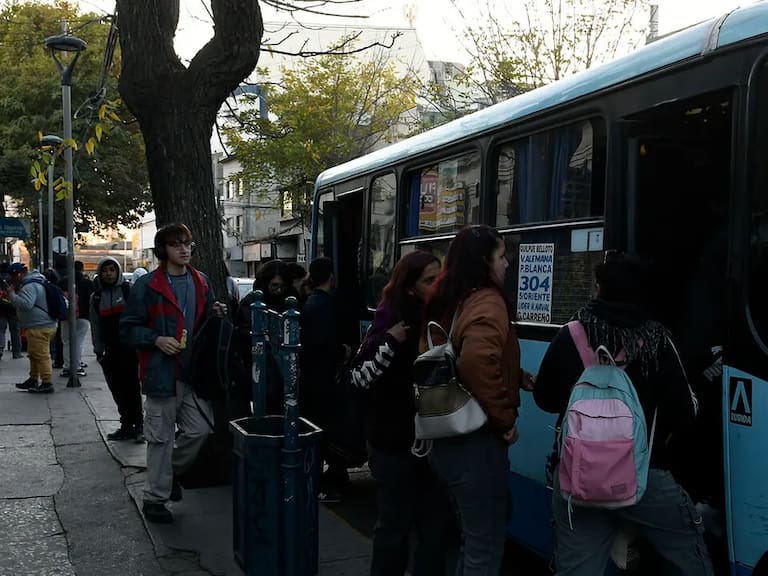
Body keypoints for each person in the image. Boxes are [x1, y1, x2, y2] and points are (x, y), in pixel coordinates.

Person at [533, 251, 715, 576]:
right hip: (647, 480)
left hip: (578, 479)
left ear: (600, 289)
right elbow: (684, 415)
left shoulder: (570, 335)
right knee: (690, 556)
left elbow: (545, 399)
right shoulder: (658, 341)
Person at [422, 225, 523, 574]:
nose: (507, 263)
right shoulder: (488, 300)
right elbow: (477, 361)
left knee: (471, 539)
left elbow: (458, 356)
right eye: (500, 255)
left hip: (445, 441)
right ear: (484, 261)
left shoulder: (450, 298)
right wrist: (505, 419)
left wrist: (517, 377)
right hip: (475, 443)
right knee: (485, 545)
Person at [348, 250, 451, 576]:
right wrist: (390, 343)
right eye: (428, 280)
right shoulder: (389, 321)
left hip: (433, 443)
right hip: (393, 444)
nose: (436, 286)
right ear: (409, 287)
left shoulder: (441, 321)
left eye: (440, 278)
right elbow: (358, 377)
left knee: (433, 530)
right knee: (394, 527)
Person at [120, 223, 227, 524]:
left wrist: (215, 312)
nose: (184, 249)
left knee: (200, 430)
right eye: (176, 244)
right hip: (161, 376)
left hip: (194, 375)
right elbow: (127, 329)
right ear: (163, 250)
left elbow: (205, 322)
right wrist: (155, 339)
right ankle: (155, 499)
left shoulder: (201, 282)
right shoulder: (148, 285)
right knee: (159, 439)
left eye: (187, 243)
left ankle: (170, 474)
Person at [299, 256, 351, 502]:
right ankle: (320, 482)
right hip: (321, 378)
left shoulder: (312, 302)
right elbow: (323, 344)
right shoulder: (323, 305)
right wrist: (343, 351)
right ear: (331, 277)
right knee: (324, 429)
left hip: (313, 378)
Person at [90, 256, 143, 441]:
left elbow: (139, 317)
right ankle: (126, 424)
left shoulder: (128, 291)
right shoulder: (96, 297)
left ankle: (138, 424)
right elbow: (95, 324)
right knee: (116, 387)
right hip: (109, 350)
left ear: (118, 271)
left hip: (129, 348)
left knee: (132, 386)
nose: (108, 274)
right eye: (105, 270)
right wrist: (98, 348)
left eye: (112, 270)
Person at [7, 263, 58, 393]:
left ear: (21, 274)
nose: (13, 279)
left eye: (14, 275)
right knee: (34, 354)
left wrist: (12, 295)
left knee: (41, 355)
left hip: (40, 326)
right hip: (38, 325)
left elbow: (27, 304)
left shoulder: (29, 286)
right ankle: (33, 379)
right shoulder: (35, 282)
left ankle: (47, 382)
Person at [58, 260, 94, 378]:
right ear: (82, 269)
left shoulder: (62, 282)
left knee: (67, 342)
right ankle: (77, 366)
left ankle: (67, 366)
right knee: (78, 342)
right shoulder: (87, 283)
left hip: (65, 317)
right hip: (83, 316)